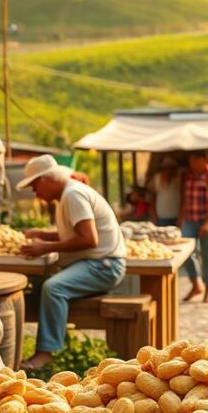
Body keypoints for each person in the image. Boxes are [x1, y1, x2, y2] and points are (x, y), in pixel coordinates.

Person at [17, 155, 126, 371]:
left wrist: (44, 247)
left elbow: (88, 239)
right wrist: (42, 234)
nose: (34, 192)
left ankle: (45, 355)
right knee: (42, 285)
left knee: (53, 287)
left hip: (104, 266)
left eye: (34, 185)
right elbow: (73, 233)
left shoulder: (73, 195)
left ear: (47, 180)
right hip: (95, 263)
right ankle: (47, 343)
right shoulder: (68, 195)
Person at [177, 151, 208, 303]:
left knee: (207, 251)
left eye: (195, 161)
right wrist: (180, 219)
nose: (192, 165)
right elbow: (184, 198)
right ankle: (196, 283)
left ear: (203, 160)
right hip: (190, 218)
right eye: (190, 162)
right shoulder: (187, 176)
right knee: (184, 252)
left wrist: (207, 223)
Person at [149, 156, 182, 227]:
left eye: (171, 168)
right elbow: (152, 199)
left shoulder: (179, 180)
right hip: (161, 218)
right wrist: (154, 216)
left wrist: (181, 217)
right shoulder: (156, 179)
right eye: (166, 168)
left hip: (176, 218)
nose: (169, 171)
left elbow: (184, 200)